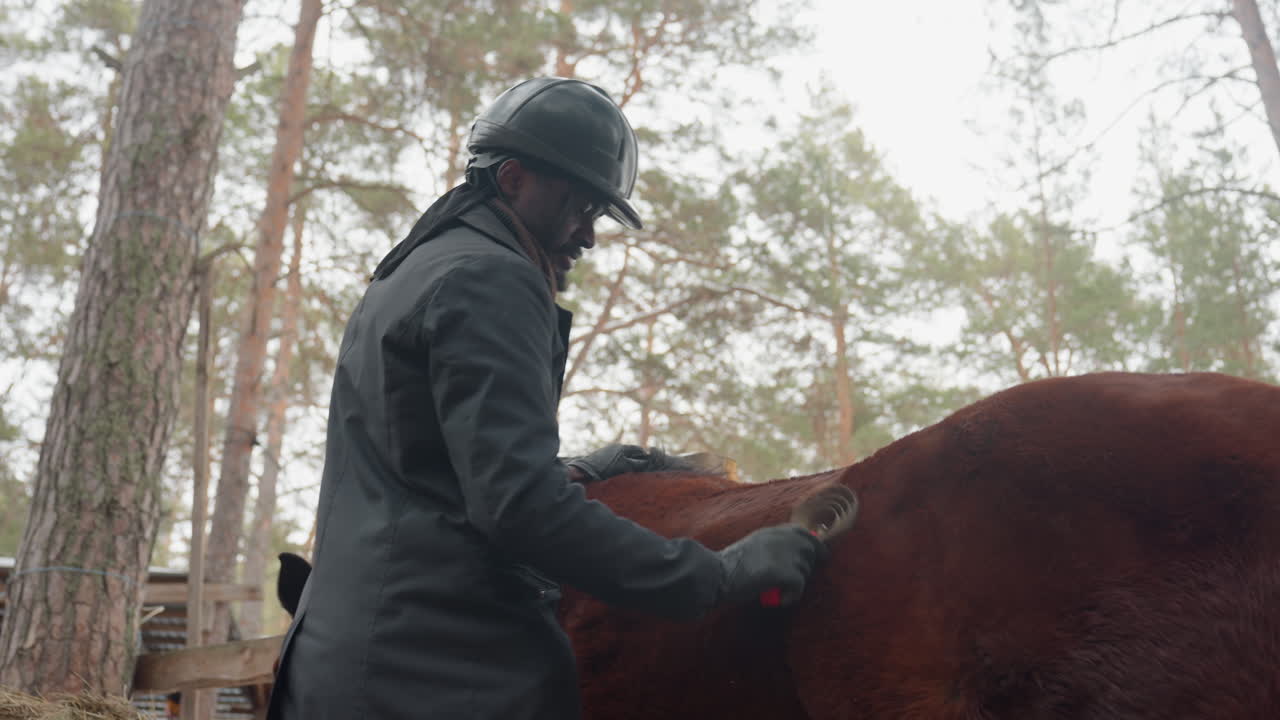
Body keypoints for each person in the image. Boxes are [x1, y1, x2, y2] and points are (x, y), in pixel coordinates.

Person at [266, 77, 825, 720]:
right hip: (436, 681)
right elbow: (520, 510)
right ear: (512, 179)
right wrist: (716, 575)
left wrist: (573, 471)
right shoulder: (491, 276)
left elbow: (417, 479)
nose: (587, 235)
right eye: (579, 206)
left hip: (346, 670)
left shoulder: (413, 269)